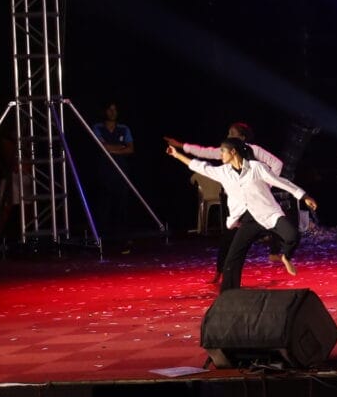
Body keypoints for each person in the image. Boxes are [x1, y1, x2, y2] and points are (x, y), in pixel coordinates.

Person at [167, 139, 316, 290]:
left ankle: (286, 257)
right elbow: (200, 167)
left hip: (267, 213)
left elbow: (281, 182)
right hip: (247, 220)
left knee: (292, 236)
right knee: (233, 257)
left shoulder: (256, 167)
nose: (220, 155)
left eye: (223, 151)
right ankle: (229, 292)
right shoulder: (223, 172)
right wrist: (177, 155)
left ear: (233, 152)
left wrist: (304, 196)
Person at [92, 100, 137, 242]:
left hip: (121, 169)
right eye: (110, 109)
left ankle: (122, 235)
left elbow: (130, 149)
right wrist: (120, 147)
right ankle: (102, 236)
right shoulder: (98, 127)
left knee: (121, 203)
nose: (112, 112)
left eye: (115, 110)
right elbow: (101, 147)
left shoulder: (124, 128)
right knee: (104, 203)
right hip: (104, 169)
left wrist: (111, 150)